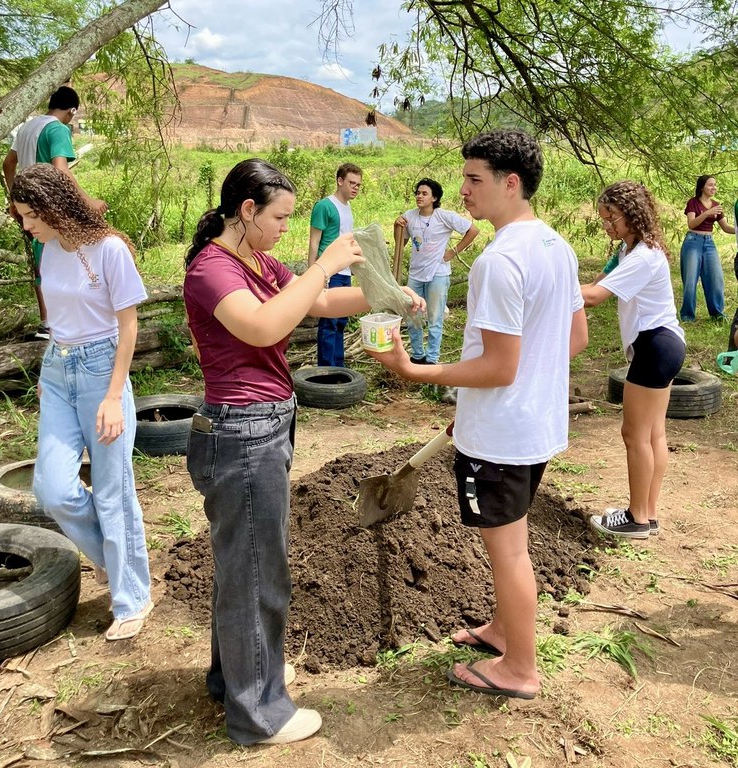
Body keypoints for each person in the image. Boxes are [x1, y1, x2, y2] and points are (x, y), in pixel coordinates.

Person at [183, 159, 422, 745]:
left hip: (265, 424)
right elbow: (266, 327)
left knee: (246, 565)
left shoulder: (254, 259)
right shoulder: (211, 271)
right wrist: (324, 264)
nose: (287, 227)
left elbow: (311, 305)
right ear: (246, 212)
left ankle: (235, 677)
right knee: (259, 569)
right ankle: (259, 711)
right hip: (241, 432)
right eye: (281, 217)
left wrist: (381, 297)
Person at [367, 130, 588, 700]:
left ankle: (520, 669)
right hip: (533, 427)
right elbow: (576, 337)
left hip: (499, 436)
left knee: (509, 550)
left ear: (509, 184)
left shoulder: (497, 261)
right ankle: (501, 631)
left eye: (474, 180)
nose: (461, 192)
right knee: (509, 544)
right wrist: (506, 389)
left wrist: (415, 370)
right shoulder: (554, 246)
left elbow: (496, 368)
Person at [9, 163, 152, 641]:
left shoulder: (109, 249)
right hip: (58, 368)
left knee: (113, 491)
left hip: (102, 370)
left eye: (32, 214)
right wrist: (50, 374)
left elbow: (128, 327)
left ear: (55, 206)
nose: (27, 224)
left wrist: (114, 396)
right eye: (22, 216)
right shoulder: (46, 248)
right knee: (51, 489)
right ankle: (110, 556)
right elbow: (57, 317)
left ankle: (132, 599)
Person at [582, 181, 686, 539]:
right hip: (663, 344)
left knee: (634, 434)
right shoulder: (634, 251)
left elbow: (594, 296)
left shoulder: (643, 256)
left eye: (612, 218)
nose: (607, 225)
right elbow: (598, 281)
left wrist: (545, 285)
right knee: (654, 433)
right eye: (604, 219)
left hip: (656, 345)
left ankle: (637, 518)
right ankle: (648, 513)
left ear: (632, 214)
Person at [3, 85, 108, 338]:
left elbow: (8, 164)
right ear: (72, 110)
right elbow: (61, 169)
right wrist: (89, 200)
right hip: (51, 204)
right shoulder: (57, 128)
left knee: (41, 261)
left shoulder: (28, 127)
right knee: (68, 255)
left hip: (29, 207)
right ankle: (67, 320)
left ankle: (46, 323)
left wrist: (16, 200)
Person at [394, 178, 479, 364]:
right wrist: (396, 226)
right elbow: (401, 242)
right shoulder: (410, 216)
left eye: (424, 193)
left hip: (437, 274)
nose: (419, 196)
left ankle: (432, 358)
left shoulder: (444, 216)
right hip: (416, 275)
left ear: (434, 198)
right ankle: (417, 355)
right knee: (412, 316)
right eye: (418, 193)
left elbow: (473, 230)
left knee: (434, 317)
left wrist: (452, 252)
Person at [308, 162, 363, 367]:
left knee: (341, 320)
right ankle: (326, 370)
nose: (355, 188)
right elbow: (314, 242)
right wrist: (314, 276)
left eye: (358, 184)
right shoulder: (325, 206)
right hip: (328, 271)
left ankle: (338, 366)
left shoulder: (347, 208)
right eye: (351, 183)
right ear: (340, 181)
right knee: (329, 322)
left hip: (345, 271)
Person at [679, 175, 735, 322]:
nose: (713, 188)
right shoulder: (693, 202)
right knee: (690, 279)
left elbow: (726, 228)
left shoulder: (716, 204)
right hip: (693, 242)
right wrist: (707, 213)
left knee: (716, 278)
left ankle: (717, 314)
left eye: (715, 185)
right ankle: (687, 316)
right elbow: (691, 224)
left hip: (709, 243)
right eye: (710, 185)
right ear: (702, 187)